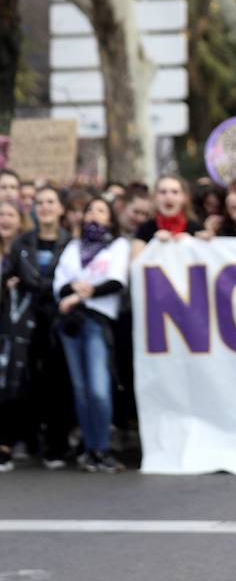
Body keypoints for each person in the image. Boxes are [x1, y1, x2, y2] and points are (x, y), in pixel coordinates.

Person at [52, 196, 130, 472]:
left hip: (97, 321)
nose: (94, 215)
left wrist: (80, 294)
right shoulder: (73, 247)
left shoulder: (118, 246)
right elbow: (60, 284)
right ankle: (90, 449)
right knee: (80, 389)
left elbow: (116, 281)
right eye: (90, 210)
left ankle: (103, 447)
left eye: (101, 210)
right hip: (71, 324)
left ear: (110, 219)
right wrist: (76, 292)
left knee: (98, 388)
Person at [5, 186, 74, 468]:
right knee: (25, 379)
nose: (44, 207)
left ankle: (57, 444)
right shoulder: (22, 243)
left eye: (50, 202)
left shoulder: (71, 243)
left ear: (60, 209)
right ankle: (28, 438)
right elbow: (12, 275)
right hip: (28, 319)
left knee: (58, 381)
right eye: (39, 202)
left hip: (59, 319)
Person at [0, 199, 36, 471]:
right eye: (1, 214)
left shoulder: (27, 249)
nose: (5, 219)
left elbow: (38, 282)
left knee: (15, 381)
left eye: (10, 214)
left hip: (23, 324)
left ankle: (11, 441)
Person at [133, 175, 203, 260]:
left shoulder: (197, 229)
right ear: (155, 198)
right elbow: (135, 264)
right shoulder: (144, 229)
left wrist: (194, 242)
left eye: (175, 192)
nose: (168, 197)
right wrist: (154, 243)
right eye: (163, 192)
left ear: (184, 198)